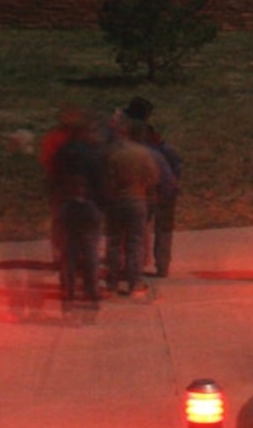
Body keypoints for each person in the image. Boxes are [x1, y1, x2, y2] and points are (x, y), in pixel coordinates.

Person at [44, 108, 109, 309]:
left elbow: (53, 177)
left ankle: (68, 289)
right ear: (84, 132)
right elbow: (101, 181)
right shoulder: (94, 154)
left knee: (69, 251)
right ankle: (91, 290)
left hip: (66, 207)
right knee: (90, 251)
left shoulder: (62, 152)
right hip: (90, 207)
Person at [102, 121, 165, 298]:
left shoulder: (114, 154)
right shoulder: (143, 154)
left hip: (115, 201)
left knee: (114, 242)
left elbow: (106, 179)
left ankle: (112, 283)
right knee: (135, 242)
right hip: (137, 199)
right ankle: (133, 282)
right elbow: (153, 177)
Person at [121, 96, 182, 277]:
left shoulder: (135, 149)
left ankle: (134, 268)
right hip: (166, 189)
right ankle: (162, 266)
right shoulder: (156, 144)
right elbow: (175, 159)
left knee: (137, 230)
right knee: (162, 230)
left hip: (149, 192)